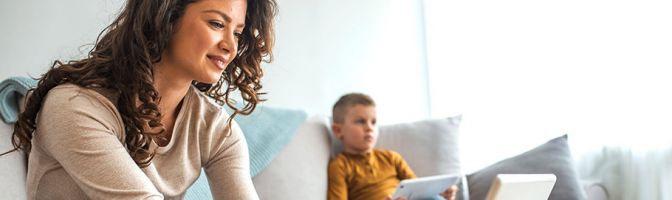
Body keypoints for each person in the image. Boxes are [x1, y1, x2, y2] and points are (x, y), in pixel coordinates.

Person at [4, 0, 277, 199]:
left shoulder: (216, 129)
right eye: (217, 24)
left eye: (238, 33)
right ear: (167, 18)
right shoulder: (74, 106)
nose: (230, 46)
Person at [327, 93, 458, 200]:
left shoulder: (390, 157)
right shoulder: (340, 166)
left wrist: (441, 193)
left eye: (373, 122)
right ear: (338, 130)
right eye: (360, 121)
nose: (369, 128)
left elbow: (418, 188)